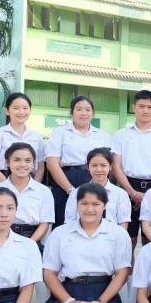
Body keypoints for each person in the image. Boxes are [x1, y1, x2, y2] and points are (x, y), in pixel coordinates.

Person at [36, 183, 131, 303]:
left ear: (105, 206)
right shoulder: (60, 233)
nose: (89, 209)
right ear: (77, 204)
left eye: (96, 204)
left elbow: (122, 274)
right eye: (84, 203)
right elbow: (49, 273)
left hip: (103, 293)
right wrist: (69, 301)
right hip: (67, 293)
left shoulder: (117, 233)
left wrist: (100, 302)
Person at [112, 90, 151, 249]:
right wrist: (132, 193)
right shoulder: (121, 135)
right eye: (141, 106)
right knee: (129, 240)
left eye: (149, 107)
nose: (145, 110)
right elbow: (116, 166)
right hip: (128, 188)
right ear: (134, 107)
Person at [45, 95, 112, 227]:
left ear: (93, 113)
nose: (83, 113)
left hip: (94, 179)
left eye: (87, 110)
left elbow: (108, 163)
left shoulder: (102, 135)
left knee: (93, 219)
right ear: (72, 112)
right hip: (65, 180)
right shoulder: (59, 132)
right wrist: (70, 190)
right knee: (63, 221)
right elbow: (52, 164)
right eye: (79, 109)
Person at [0, 142, 54, 252]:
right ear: (8, 162)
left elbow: (45, 223)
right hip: (1, 239)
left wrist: (29, 244)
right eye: (17, 160)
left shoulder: (44, 191)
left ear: (33, 163)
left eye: (28, 160)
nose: (22, 165)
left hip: (32, 240)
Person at [0, 93, 46, 183]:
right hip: (3, 182)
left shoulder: (37, 137)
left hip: (30, 183)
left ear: (30, 110)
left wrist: (34, 187)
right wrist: (10, 187)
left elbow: (40, 168)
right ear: (7, 111)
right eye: (16, 108)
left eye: (25, 108)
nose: (21, 112)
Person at [64, 148, 131, 229]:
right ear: (88, 167)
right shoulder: (76, 193)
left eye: (103, 165)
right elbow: (69, 222)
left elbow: (123, 223)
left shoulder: (121, 194)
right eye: (94, 165)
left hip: (111, 236)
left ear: (110, 167)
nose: (99, 170)